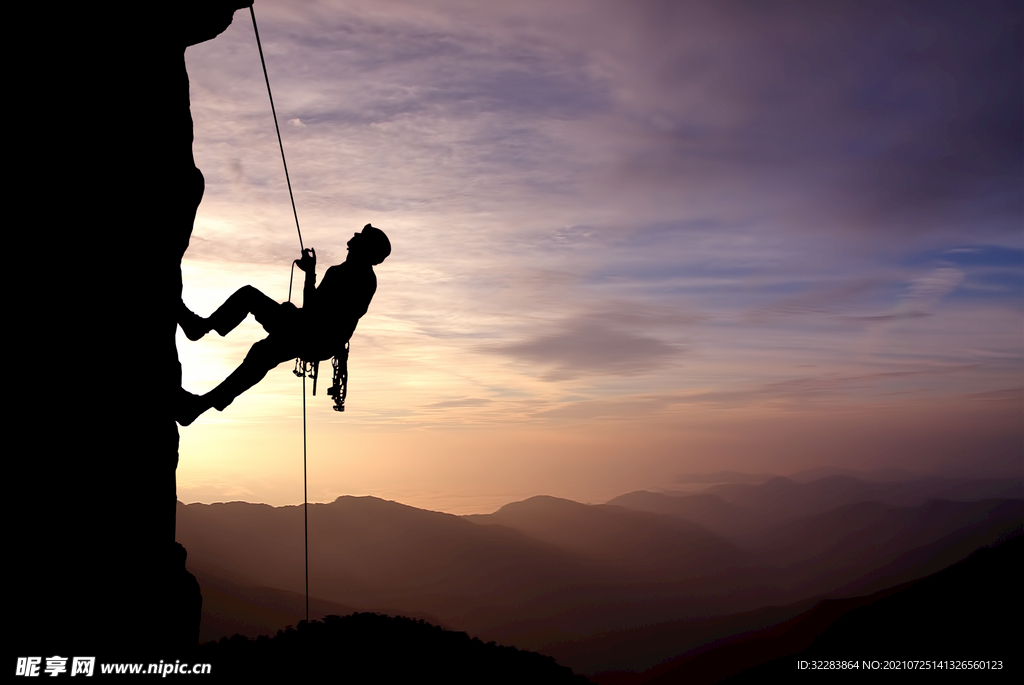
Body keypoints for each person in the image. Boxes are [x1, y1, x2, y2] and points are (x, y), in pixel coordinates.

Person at [176, 224, 390, 425]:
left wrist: (309, 276)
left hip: (312, 335)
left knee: (250, 298)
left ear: (365, 248)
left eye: (359, 237)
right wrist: (308, 280)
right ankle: (200, 406)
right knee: (261, 354)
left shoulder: (349, 275)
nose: (353, 237)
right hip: (317, 338)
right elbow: (317, 310)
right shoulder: (357, 276)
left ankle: (200, 330)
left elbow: (315, 310)